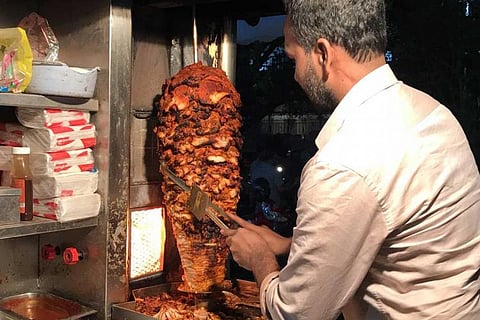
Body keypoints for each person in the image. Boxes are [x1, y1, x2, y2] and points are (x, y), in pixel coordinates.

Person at [223, 0, 480, 319]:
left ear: (322, 54)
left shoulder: (342, 164)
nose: (295, 75)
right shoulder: (434, 115)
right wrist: (292, 245)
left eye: (294, 59)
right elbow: (397, 233)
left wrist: (261, 259)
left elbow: (298, 314)